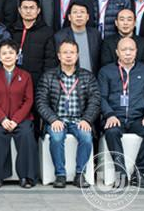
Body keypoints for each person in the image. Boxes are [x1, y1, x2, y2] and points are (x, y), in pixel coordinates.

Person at [35, 39, 101, 189]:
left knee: (86, 137)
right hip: (57, 120)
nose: (69, 56)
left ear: (77, 55)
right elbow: (41, 102)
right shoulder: (48, 76)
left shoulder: (87, 76)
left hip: (79, 120)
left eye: (72, 52)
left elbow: (95, 100)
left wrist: (87, 119)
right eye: (65, 52)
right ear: (59, 56)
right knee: (56, 137)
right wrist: (53, 119)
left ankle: (80, 174)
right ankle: (60, 175)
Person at [98, 37, 144, 188]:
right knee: (112, 132)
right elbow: (101, 97)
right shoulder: (106, 71)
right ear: (117, 52)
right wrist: (109, 114)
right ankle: (121, 174)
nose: (127, 53)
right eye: (124, 50)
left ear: (136, 52)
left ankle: (138, 174)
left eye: (131, 50)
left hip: (137, 118)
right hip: (115, 117)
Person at [0, 41, 38, 188]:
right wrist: (3, 119)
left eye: (11, 53)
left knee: (26, 134)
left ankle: (26, 177)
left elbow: (28, 100)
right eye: (4, 53)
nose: (8, 56)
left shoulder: (25, 76)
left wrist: (16, 120)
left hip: (21, 119)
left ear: (17, 56)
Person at [49, 1, 101, 73]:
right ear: (69, 17)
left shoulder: (95, 34)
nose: (79, 15)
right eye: (75, 12)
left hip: (92, 77)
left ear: (87, 17)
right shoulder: (59, 36)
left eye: (82, 12)